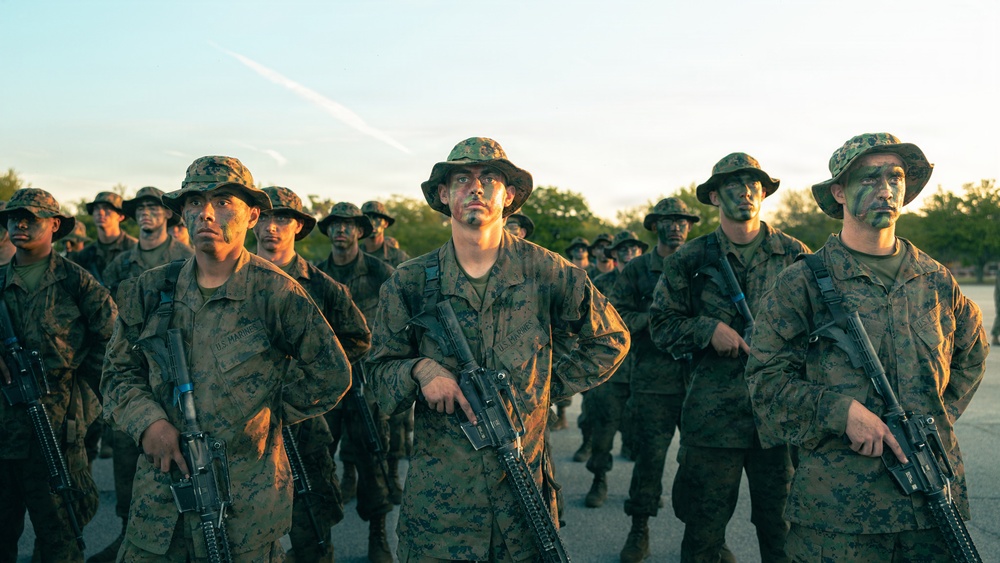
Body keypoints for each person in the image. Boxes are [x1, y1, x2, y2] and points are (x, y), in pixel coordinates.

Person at [367, 137, 630, 561]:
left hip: (521, 497)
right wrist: (419, 371)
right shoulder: (410, 281)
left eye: (489, 178)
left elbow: (611, 339)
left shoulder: (546, 271)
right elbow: (378, 375)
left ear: (508, 196)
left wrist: (541, 387)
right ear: (443, 194)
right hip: (442, 509)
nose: (476, 187)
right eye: (462, 178)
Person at [745, 133, 988, 561]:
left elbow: (972, 355)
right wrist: (841, 413)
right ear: (839, 192)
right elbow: (765, 383)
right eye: (869, 178)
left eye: (895, 177)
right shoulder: (801, 283)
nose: (886, 189)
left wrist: (933, 419)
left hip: (930, 506)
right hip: (839, 515)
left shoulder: (935, 280)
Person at [101, 155, 352, 560]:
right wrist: (148, 423)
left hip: (244, 506)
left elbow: (332, 373)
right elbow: (117, 372)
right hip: (160, 506)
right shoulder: (149, 290)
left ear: (252, 216)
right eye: (195, 202)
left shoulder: (277, 293)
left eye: (222, 203)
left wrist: (264, 414)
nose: (206, 213)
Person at [649, 153, 809, 562]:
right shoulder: (691, 259)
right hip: (713, 418)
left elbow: (820, 330)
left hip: (778, 417)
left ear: (764, 193)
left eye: (753, 184)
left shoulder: (794, 255)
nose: (745, 192)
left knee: (783, 531)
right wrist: (707, 330)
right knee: (703, 531)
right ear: (715, 196)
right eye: (733, 185)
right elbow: (661, 325)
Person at [255, 186, 373, 563]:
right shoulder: (233, 280)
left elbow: (358, 338)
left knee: (312, 526)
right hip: (244, 426)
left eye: (283, 218)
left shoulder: (322, 286)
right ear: (253, 221)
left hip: (302, 425)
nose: (272, 226)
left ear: (299, 226)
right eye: (266, 217)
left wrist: (310, 375)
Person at [0, 188, 116, 562]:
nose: (20, 224)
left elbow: (114, 345)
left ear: (54, 225)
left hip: (55, 434)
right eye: (14, 217)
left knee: (60, 537)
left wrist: (83, 402)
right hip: (2, 434)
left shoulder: (76, 283)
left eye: (31, 217)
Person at [89, 186, 194, 563]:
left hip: (172, 373)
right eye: (141, 208)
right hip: (132, 371)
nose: (147, 213)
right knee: (124, 456)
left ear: (167, 215)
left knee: (176, 465)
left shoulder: (185, 257)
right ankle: (126, 533)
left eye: (154, 207)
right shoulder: (121, 264)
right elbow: (108, 317)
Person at [611, 197, 699, 562]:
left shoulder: (700, 264)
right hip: (653, 380)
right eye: (668, 220)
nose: (676, 226)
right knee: (649, 459)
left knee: (700, 465)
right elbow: (615, 316)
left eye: (681, 220)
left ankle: (704, 536)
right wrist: (656, 320)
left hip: (698, 381)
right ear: (654, 226)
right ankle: (639, 529)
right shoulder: (637, 270)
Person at [315, 202, 396, 561]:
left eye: (349, 225)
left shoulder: (380, 272)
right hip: (326, 382)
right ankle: (319, 540)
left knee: (372, 459)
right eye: (335, 225)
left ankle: (378, 535)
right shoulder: (316, 275)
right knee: (317, 461)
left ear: (361, 232)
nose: (341, 230)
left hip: (367, 381)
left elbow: (400, 319)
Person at [582, 230, 647, 509]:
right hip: (609, 371)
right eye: (623, 249)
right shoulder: (600, 284)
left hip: (644, 370)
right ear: (614, 254)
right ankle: (599, 480)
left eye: (634, 248)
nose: (629, 253)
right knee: (602, 431)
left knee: (645, 435)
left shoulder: (650, 283)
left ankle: (642, 490)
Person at [102, 186, 194, 296]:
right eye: (140, 208)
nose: (145, 212)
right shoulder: (121, 263)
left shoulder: (187, 258)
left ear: (168, 213)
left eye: (152, 208)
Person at [68, 191, 137, 285]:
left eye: (107, 208)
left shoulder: (134, 249)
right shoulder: (85, 255)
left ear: (121, 216)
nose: (100, 212)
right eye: (96, 208)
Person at [361, 200, 411, 267]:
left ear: (386, 223)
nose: (372, 223)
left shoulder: (399, 258)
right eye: (367, 218)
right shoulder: (352, 256)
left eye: (376, 218)